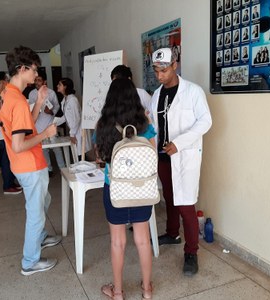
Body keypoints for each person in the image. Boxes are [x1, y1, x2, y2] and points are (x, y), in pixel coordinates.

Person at [0, 45, 61, 275]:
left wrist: (41, 103)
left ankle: (40, 236)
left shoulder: (8, 95)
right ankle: (30, 261)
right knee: (36, 212)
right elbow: (19, 144)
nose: (36, 74)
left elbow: (25, 128)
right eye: (34, 70)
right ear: (22, 69)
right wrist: (46, 134)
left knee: (43, 200)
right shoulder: (18, 101)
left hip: (22, 165)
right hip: (30, 165)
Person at [150, 48, 212, 276]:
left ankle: (191, 252)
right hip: (163, 157)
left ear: (175, 65)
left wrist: (180, 143)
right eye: (156, 71)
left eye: (163, 70)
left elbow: (206, 121)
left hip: (184, 157)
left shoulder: (193, 92)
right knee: (169, 197)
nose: (159, 76)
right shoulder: (156, 95)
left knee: (185, 204)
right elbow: (153, 125)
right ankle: (172, 233)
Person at [96, 78, 156, 300]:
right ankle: (147, 289)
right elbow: (151, 154)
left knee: (117, 241)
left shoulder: (103, 125)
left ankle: (118, 292)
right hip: (142, 190)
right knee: (143, 239)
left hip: (115, 190)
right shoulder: (145, 124)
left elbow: (100, 156)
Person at [0, 72, 22, 195]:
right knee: (6, 161)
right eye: (6, 80)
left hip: (4, 133)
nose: (8, 82)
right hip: (1, 134)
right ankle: (7, 186)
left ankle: (11, 183)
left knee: (9, 160)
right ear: (2, 82)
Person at [29, 70, 65, 177]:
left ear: (44, 81)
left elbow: (57, 106)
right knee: (43, 149)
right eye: (35, 80)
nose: (37, 82)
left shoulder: (51, 92)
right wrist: (38, 110)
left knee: (56, 148)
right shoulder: (32, 94)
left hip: (50, 124)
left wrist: (52, 111)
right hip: (38, 126)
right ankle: (48, 169)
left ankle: (62, 168)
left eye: (39, 80)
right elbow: (30, 108)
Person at [56, 78, 91, 160]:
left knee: (81, 155)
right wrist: (55, 123)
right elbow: (66, 116)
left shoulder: (72, 100)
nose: (57, 86)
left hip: (78, 131)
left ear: (65, 87)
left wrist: (72, 134)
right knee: (77, 154)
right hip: (74, 130)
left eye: (60, 84)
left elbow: (76, 119)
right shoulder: (65, 99)